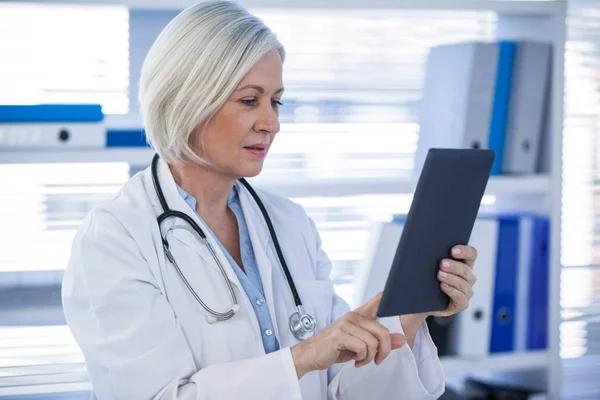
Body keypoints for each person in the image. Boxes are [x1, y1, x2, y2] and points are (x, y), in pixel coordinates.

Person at [62, 2, 479, 399]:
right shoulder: (115, 238)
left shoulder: (289, 224)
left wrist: (410, 312)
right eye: (250, 100)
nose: (272, 123)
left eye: (276, 101)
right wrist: (301, 358)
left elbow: (345, 389)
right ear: (188, 98)